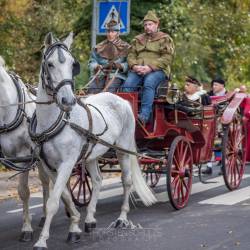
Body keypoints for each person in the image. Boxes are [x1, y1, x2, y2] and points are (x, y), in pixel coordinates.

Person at [122, 10, 175, 124]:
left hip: (158, 70)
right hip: (138, 69)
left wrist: (150, 68)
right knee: (127, 85)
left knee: (149, 83)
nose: (147, 27)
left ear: (156, 24)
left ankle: (144, 116)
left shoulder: (165, 38)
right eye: (145, 25)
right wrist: (135, 66)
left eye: (150, 24)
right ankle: (128, 114)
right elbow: (131, 55)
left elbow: (167, 58)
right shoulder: (137, 39)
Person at [87, 17, 130, 93]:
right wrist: (96, 66)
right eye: (108, 32)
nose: (110, 34)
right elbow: (92, 61)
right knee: (92, 89)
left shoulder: (126, 47)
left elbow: (130, 63)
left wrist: (120, 66)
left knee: (109, 91)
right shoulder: (98, 47)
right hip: (100, 74)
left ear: (118, 33)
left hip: (117, 75)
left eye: (113, 32)